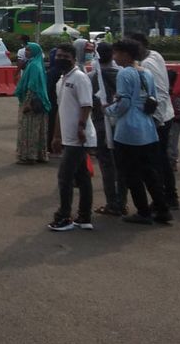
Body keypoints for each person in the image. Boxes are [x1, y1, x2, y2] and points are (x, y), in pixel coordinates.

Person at [105, 40, 171, 226]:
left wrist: (108, 110)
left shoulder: (125, 73)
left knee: (131, 173)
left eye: (116, 53)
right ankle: (162, 208)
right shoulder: (146, 72)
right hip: (147, 127)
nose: (115, 57)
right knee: (150, 172)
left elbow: (124, 103)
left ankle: (143, 211)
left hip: (129, 130)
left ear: (126, 54)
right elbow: (153, 99)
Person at [47, 44, 96, 232]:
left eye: (65, 56)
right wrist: (56, 136)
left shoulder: (80, 78)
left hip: (79, 138)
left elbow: (87, 105)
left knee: (65, 177)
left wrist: (81, 127)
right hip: (68, 137)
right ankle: (84, 217)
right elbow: (61, 110)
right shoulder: (62, 81)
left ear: (73, 58)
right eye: (58, 55)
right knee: (82, 177)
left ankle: (64, 216)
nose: (61, 59)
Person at [130, 33, 179, 211]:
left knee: (156, 162)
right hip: (164, 115)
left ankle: (167, 198)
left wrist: (156, 119)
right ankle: (168, 196)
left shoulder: (148, 63)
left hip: (159, 118)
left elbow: (159, 92)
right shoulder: (155, 55)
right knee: (160, 160)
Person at [89, 42, 126, 216]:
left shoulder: (92, 77)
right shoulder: (122, 74)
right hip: (120, 123)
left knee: (107, 166)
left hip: (100, 124)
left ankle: (113, 203)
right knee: (121, 165)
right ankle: (122, 202)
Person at [14, 42, 51, 164]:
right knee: (37, 129)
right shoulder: (35, 63)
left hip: (31, 102)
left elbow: (32, 86)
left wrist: (27, 103)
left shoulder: (34, 66)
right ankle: (39, 154)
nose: (26, 52)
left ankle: (29, 156)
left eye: (29, 50)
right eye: (26, 50)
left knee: (28, 129)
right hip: (39, 102)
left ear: (34, 52)